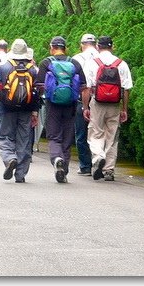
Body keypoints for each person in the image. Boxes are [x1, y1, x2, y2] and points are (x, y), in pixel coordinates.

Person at [34, 36, 88, 183]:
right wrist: (85, 106)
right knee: (67, 137)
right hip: (71, 104)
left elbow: (38, 85)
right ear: (65, 48)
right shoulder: (74, 63)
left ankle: (57, 158)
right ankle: (64, 170)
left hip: (52, 105)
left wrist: (38, 102)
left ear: (52, 48)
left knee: (54, 136)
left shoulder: (46, 62)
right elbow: (83, 86)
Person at [0, 39, 39, 183]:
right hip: (27, 109)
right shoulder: (32, 69)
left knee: (5, 137)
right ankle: (21, 175)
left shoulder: (4, 67)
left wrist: (3, 98)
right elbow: (37, 90)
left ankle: (10, 158)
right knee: (24, 140)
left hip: (8, 109)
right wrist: (34, 111)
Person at [83, 36, 132, 181]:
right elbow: (126, 88)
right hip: (115, 104)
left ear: (98, 46)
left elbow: (86, 87)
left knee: (96, 133)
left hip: (97, 103)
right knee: (112, 135)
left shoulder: (92, 63)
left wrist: (85, 106)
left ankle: (98, 156)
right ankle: (109, 170)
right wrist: (124, 109)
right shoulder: (121, 64)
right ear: (112, 47)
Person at [72, 33, 99, 175]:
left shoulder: (76, 58)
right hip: (102, 100)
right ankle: (100, 161)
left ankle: (85, 166)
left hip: (81, 99)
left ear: (82, 44)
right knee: (99, 133)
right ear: (95, 44)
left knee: (81, 134)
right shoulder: (104, 58)